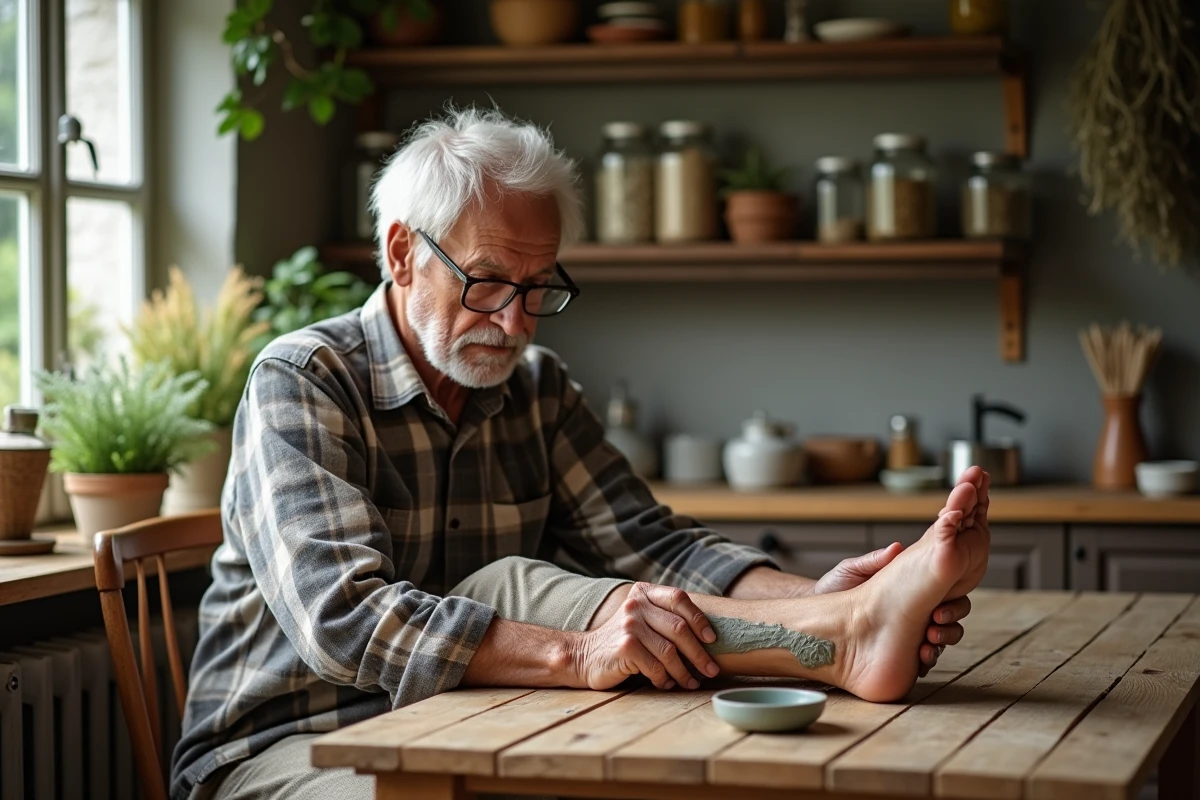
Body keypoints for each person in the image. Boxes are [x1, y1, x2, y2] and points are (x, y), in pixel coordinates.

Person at [172, 107, 987, 800]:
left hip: (465, 713)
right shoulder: (305, 379)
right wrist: (580, 653)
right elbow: (345, 621)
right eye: (489, 283)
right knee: (521, 600)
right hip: (285, 746)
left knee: (528, 598)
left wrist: (811, 593)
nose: (518, 324)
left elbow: (653, 544)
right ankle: (834, 635)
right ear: (400, 254)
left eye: (540, 290)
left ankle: (836, 629)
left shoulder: (535, 386)